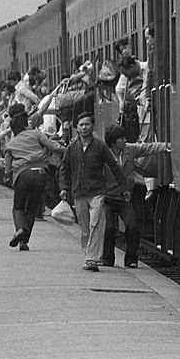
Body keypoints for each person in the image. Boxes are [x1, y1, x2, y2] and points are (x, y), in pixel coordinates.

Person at [58, 112, 124, 272]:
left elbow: (113, 166)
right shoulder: (72, 147)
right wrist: (64, 188)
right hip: (79, 193)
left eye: (87, 124)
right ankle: (90, 254)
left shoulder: (100, 147)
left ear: (92, 126)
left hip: (97, 192)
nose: (84, 127)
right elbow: (64, 168)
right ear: (77, 128)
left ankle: (92, 259)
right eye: (81, 125)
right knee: (85, 227)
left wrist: (124, 186)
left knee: (96, 224)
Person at [101, 125, 170, 268]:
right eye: (122, 138)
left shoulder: (129, 150)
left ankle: (131, 259)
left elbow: (146, 148)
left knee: (133, 226)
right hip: (106, 198)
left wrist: (164, 146)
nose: (125, 140)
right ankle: (107, 259)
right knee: (108, 229)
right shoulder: (103, 154)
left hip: (124, 198)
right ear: (113, 142)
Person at [3, 113, 65, 250]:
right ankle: (24, 242)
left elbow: (7, 166)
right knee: (31, 208)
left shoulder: (10, 144)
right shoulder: (36, 133)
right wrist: (69, 151)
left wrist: (7, 175)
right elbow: (53, 146)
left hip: (23, 174)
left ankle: (21, 229)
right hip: (41, 173)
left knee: (18, 207)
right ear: (25, 125)